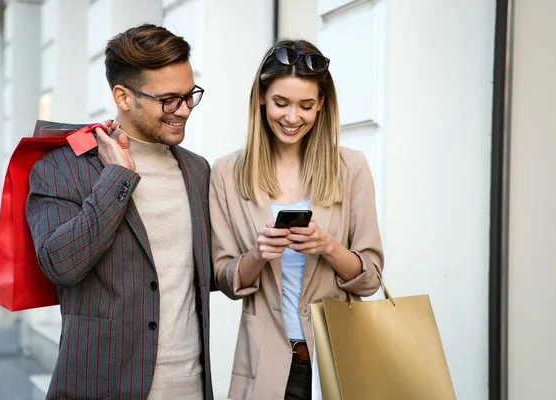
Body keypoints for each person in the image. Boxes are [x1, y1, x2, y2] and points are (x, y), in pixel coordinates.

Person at [26, 24, 214, 399]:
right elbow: (61, 264)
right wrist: (116, 178)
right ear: (123, 97)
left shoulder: (197, 170)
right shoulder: (61, 169)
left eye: (189, 95)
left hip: (190, 388)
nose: (184, 110)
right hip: (103, 388)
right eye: (168, 100)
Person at [209, 39, 385, 400]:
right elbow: (224, 278)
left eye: (306, 105)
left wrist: (328, 247)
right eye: (281, 103)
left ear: (321, 104)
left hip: (338, 358)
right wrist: (258, 255)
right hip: (266, 365)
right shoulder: (226, 173)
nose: (293, 118)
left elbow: (371, 279)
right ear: (261, 97)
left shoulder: (350, 167)